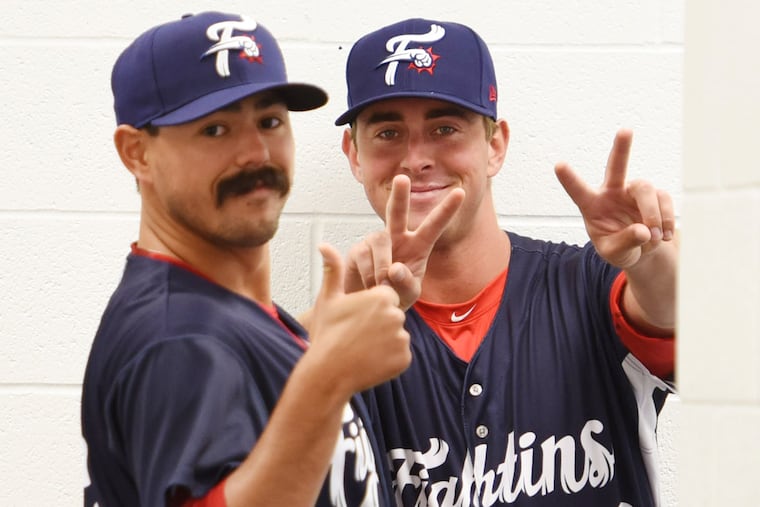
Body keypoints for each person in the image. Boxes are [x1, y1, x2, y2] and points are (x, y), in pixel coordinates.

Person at [335, 18, 678, 507]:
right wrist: (332, 348)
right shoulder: (344, 332)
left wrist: (652, 258)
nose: (416, 158)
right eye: (388, 132)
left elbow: (677, 316)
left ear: (494, 146)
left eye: (445, 128)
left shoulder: (588, 285)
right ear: (355, 155)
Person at [81, 11, 415, 507]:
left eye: (270, 121)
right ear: (137, 153)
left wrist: (317, 336)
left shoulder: (217, 311)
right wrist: (329, 377)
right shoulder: (178, 337)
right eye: (215, 130)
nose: (256, 152)